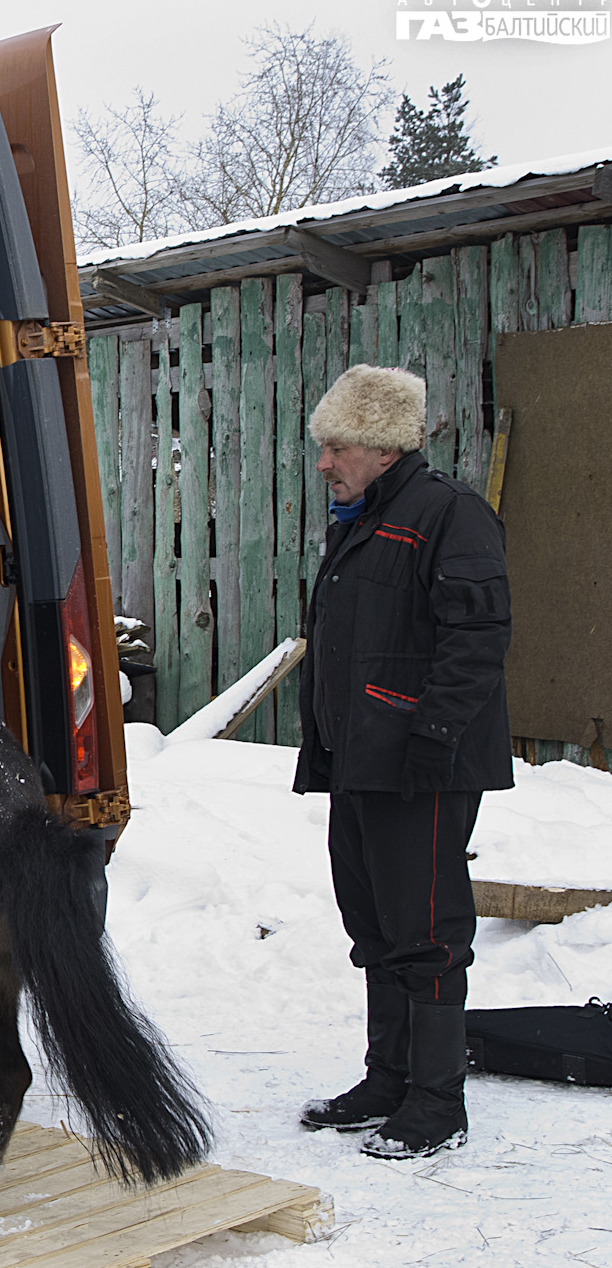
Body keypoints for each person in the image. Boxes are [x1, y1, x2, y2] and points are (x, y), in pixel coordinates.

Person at [293, 364, 512, 1160]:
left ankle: (435, 1100)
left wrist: (434, 738)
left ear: (385, 448)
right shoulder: (358, 520)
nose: (324, 463)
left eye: (337, 447)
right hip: (359, 763)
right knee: (374, 928)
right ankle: (386, 1079)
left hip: (421, 766)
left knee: (427, 933)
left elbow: (477, 638)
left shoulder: (449, 514)